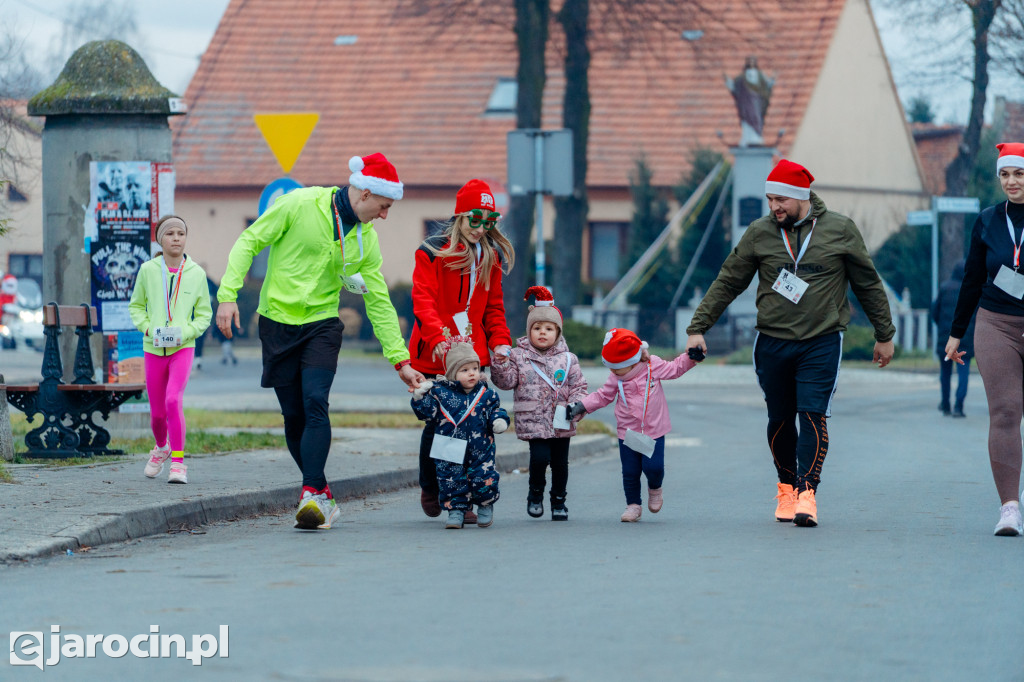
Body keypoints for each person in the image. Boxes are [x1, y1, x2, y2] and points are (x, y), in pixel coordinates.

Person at [215, 153, 424, 530]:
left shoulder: (366, 241)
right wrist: (227, 294)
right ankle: (322, 494)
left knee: (315, 402)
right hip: (277, 322)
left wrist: (401, 360)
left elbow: (378, 301)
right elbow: (250, 240)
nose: (385, 215)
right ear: (363, 193)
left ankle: (310, 492)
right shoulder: (299, 203)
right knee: (293, 415)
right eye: (384, 206)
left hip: (322, 325)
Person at [685, 159, 895, 527]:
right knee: (780, 418)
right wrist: (697, 326)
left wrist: (884, 335)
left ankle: (806, 493)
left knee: (812, 414)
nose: (774, 207)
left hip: (822, 341)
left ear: (801, 197)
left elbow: (868, 283)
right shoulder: (760, 232)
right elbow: (728, 281)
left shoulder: (840, 229)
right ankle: (785, 487)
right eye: (769, 200)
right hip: (772, 342)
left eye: (780, 199)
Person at [409, 179, 514, 521]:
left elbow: (494, 308)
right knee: (440, 421)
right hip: (436, 350)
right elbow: (422, 297)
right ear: (460, 216)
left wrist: (499, 340)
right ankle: (432, 485)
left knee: (474, 426)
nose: (481, 228)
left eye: (488, 221)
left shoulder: (491, 257)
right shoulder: (431, 251)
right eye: (475, 219)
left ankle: (464, 498)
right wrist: (435, 334)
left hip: (472, 354)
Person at [945, 142, 1024, 537]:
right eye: (1005, 175)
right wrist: (956, 333)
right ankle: (1009, 507)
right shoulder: (988, 221)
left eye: (1019, 174)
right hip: (996, 324)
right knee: (1006, 412)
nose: (1011, 182)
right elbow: (972, 278)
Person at [566, 328, 699, 522]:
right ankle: (633, 505)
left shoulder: (653, 366)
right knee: (630, 471)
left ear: (630, 362)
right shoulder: (616, 377)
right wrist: (582, 406)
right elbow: (604, 395)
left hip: (653, 430)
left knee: (653, 468)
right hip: (627, 432)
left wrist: (691, 358)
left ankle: (655, 488)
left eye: (615, 367)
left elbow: (675, 368)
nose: (612, 371)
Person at [490, 285, 588, 520]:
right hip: (533, 420)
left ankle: (559, 501)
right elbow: (507, 381)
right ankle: (535, 495)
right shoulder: (518, 356)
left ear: (558, 332)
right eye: (537, 328)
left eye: (548, 328)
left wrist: (577, 404)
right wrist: (500, 363)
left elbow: (579, 386)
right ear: (529, 330)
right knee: (539, 459)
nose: (542, 333)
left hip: (562, 420)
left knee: (560, 464)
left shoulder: (568, 359)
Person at [129, 215, 212, 484]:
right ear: (160, 239)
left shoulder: (197, 273)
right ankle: (161, 446)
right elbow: (136, 307)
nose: (176, 238)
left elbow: (203, 316)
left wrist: (184, 333)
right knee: (156, 414)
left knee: (173, 400)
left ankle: (178, 462)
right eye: (170, 234)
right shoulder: (148, 270)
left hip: (182, 348)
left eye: (181, 233)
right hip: (153, 347)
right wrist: (148, 329)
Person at [411, 331, 508, 529]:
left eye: (474, 368)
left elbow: (495, 411)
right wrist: (420, 397)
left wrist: (499, 420)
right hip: (449, 448)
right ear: (452, 374)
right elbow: (428, 414)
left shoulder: (486, 394)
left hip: (480, 449)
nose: (472, 373)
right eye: (465, 370)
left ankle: (485, 506)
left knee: (483, 477)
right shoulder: (440, 393)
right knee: (450, 478)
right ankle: (455, 510)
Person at [932, 260, 975, 417]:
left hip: (946, 339)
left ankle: (945, 405)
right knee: (963, 374)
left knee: (945, 373)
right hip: (965, 340)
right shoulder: (972, 289)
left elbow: (934, 312)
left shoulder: (944, 288)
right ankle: (958, 406)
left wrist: (943, 329)